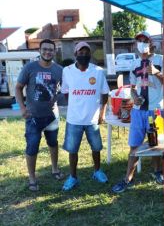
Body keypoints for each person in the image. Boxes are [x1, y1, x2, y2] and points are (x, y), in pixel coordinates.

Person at [112, 31, 164, 193]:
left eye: (144, 40)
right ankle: (128, 179)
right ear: (135, 44)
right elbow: (132, 88)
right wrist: (135, 97)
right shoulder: (134, 64)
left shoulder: (160, 60)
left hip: (156, 111)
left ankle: (157, 171)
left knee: (156, 145)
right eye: (138, 40)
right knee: (134, 146)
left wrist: (157, 73)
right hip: (138, 111)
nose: (141, 43)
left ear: (151, 43)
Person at [15, 39, 64, 191]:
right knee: (32, 147)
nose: (47, 52)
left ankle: (55, 169)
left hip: (52, 116)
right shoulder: (30, 67)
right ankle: (32, 178)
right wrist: (22, 108)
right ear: (40, 50)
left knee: (53, 143)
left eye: (50, 49)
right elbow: (18, 88)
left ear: (54, 51)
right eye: (45, 49)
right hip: (33, 117)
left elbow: (66, 89)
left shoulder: (59, 70)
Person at [61, 41, 110, 191]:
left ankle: (97, 171)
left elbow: (105, 93)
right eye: (80, 53)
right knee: (72, 150)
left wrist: (101, 113)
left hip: (92, 119)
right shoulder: (67, 71)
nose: (84, 55)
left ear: (90, 55)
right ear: (75, 55)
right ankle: (73, 177)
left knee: (96, 147)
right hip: (74, 119)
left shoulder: (98, 71)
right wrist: (76, 106)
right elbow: (65, 93)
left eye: (86, 53)